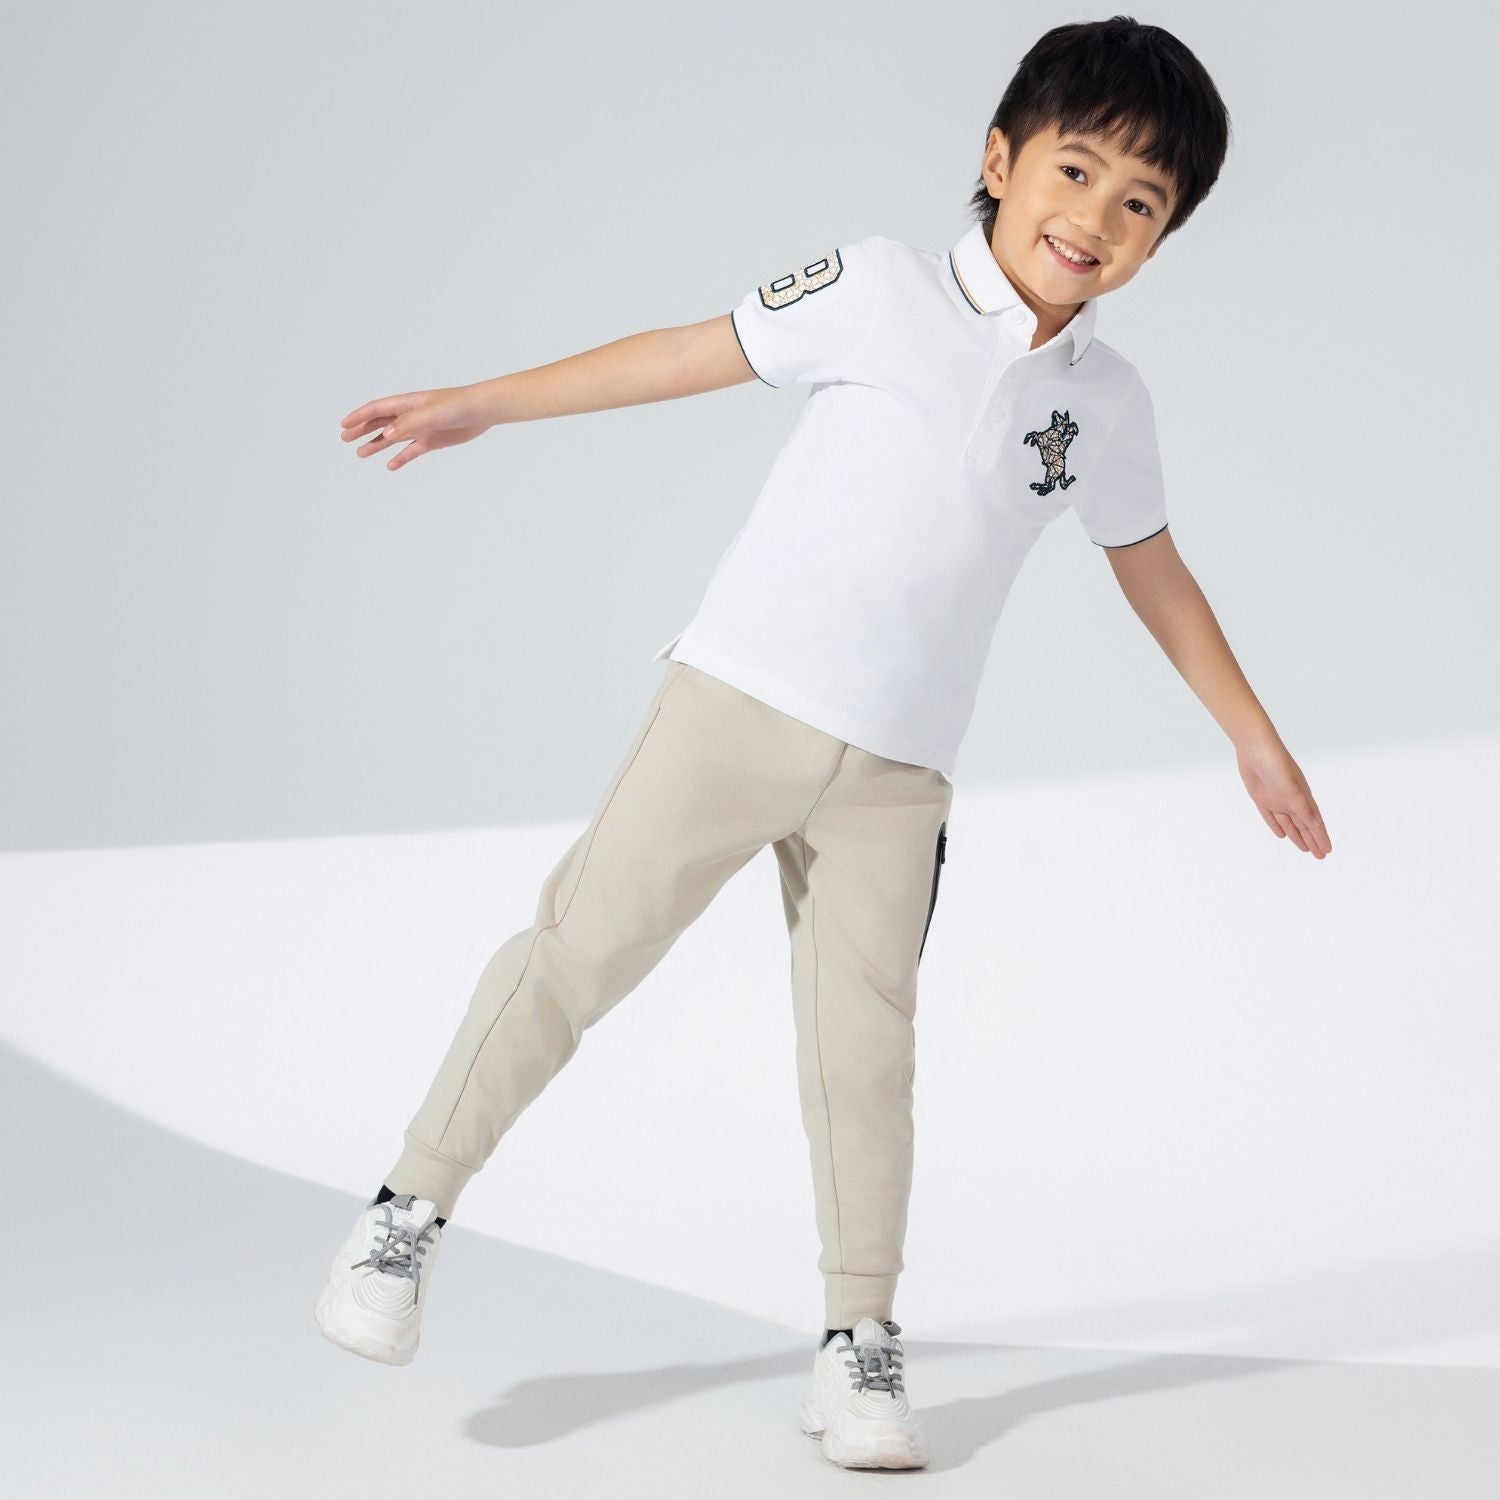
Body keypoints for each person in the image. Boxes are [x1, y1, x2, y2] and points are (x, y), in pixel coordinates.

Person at [313, 15, 1332, 1471]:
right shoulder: (878, 289)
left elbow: (1152, 565)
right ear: (1000, 160)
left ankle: (858, 1342)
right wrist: (485, 402)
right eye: (1076, 170)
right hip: (735, 705)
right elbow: (689, 352)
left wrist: (1255, 737)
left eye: (1140, 202)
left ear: (1162, 239)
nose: (1096, 218)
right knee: (576, 955)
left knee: (865, 1059)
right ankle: (404, 1213)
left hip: (898, 777)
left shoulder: (1104, 404)